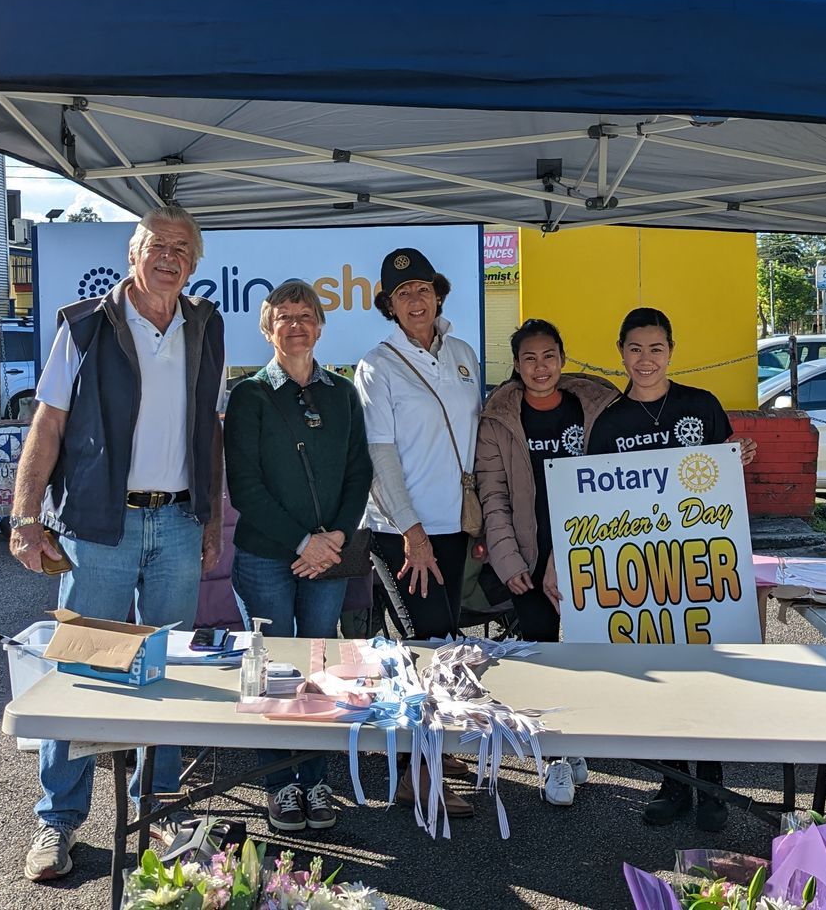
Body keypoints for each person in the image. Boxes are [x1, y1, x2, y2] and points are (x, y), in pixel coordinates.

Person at [6, 205, 226, 883]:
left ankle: (157, 811)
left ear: (195, 262)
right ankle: (57, 821)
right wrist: (25, 514)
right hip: (100, 526)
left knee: (165, 675)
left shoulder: (206, 326)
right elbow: (46, 427)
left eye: (182, 248)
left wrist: (211, 516)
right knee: (78, 674)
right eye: (157, 245)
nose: (170, 257)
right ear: (133, 254)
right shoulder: (83, 325)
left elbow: (209, 428)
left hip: (178, 525)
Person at [586, 306, 755, 834]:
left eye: (655, 348)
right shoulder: (610, 421)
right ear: (621, 353)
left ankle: (713, 787)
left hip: (698, 566)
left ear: (671, 352)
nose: (645, 359)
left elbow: (720, 475)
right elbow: (594, 501)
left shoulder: (700, 406)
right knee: (657, 678)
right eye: (635, 349)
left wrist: (737, 456)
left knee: (706, 675)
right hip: (642, 573)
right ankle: (672, 783)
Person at [224, 280, 373, 834]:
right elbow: (245, 487)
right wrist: (301, 542)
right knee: (274, 672)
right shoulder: (250, 395)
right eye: (283, 317)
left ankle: (316, 780)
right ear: (267, 328)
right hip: (267, 557)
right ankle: (280, 784)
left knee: (321, 673)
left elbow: (359, 471)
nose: (295, 325)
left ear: (320, 326)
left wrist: (334, 537)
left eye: (306, 316)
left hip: (329, 556)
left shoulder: (341, 392)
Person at [353, 246, 482, 819]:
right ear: (388, 305)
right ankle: (413, 773)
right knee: (418, 651)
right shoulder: (376, 366)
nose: (414, 300)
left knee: (443, 645)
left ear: (438, 293)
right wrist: (413, 532)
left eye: (422, 289)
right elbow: (380, 458)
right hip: (406, 535)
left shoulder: (461, 354)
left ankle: (434, 749)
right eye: (402, 294)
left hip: (455, 528)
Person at [474, 318, 618, 807]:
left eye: (549, 356)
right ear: (516, 364)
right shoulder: (497, 420)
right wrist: (508, 558)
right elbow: (492, 495)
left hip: (587, 552)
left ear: (563, 357)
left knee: (582, 659)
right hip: (528, 559)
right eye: (530, 358)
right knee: (540, 657)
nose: (541, 367)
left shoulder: (595, 410)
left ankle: (570, 742)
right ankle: (554, 757)